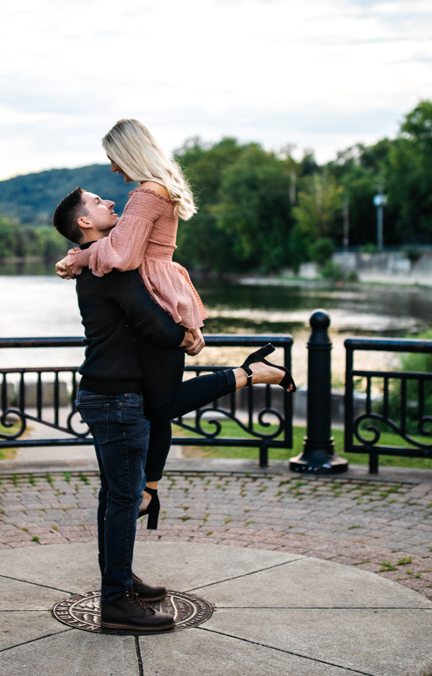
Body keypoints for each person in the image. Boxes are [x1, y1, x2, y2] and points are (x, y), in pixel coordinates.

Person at [52, 186, 288, 632]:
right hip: (116, 398)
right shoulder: (112, 269)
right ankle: (117, 604)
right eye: (99, 203)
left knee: (115, 497)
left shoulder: (100, 261)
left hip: (110, 395)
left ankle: (119, 581)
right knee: (123, 499)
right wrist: (187, 335)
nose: (110, 204)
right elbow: (153, 322)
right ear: (84, 222)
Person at [57, 119, 294, 527]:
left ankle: (248, 373)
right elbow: (122, 250)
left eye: (114, 159)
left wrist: (79, 256)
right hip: (156, 292)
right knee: (155, 408)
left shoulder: (147, 196)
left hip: (153, 295)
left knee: (161, 404)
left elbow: (124, 256)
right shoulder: (155, 191)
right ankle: (148, 491)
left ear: (129, 152)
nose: (114, 169)